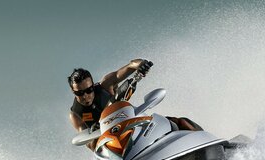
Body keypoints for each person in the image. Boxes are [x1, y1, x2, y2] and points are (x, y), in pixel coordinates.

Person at [68, 60, 201, 150]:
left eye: (88, 90)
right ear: (73, 91)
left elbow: (131, 66)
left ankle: (207, 144)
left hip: (135, 126)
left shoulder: (106, 85)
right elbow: (90, 145)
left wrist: (141, 65)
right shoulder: (75, 114)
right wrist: (97, 132)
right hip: (114, 146)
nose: (85, 96)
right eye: (79, 93)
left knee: (181, 122)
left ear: (92, 85)